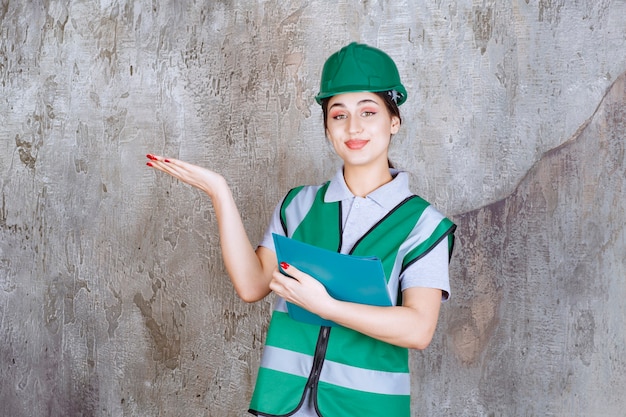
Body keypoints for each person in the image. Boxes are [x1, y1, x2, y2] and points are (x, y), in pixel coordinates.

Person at [146, 42, 456, 417]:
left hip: (366, 409)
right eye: (338, 115)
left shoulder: (424, 225)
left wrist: (327, 306)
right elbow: (252, 285)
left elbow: (418, 329)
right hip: (281, 405)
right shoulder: (297, 206)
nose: (353, 127)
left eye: (368, 112)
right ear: (327, 127)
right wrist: (219, 192)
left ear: (394, 121)